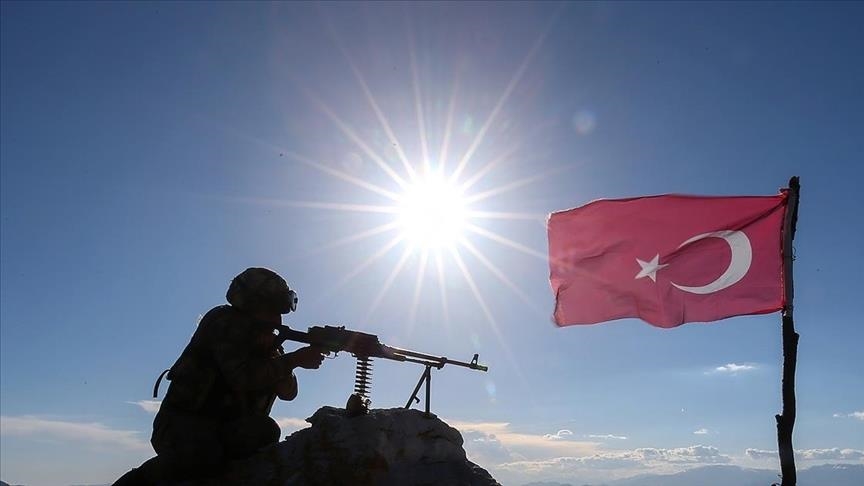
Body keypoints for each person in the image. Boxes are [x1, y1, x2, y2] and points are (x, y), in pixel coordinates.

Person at [113, 267, 325, 485]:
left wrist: (277, 358)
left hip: (220, 428)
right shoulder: (223, 322)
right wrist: (293, 360)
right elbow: (241, 377)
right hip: (180, 426)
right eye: (272, 310)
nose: (278, 320)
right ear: (252, 305)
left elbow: (288, 393)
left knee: (264, 431)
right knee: (205, 457)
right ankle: (140, 480)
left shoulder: (266, 339)